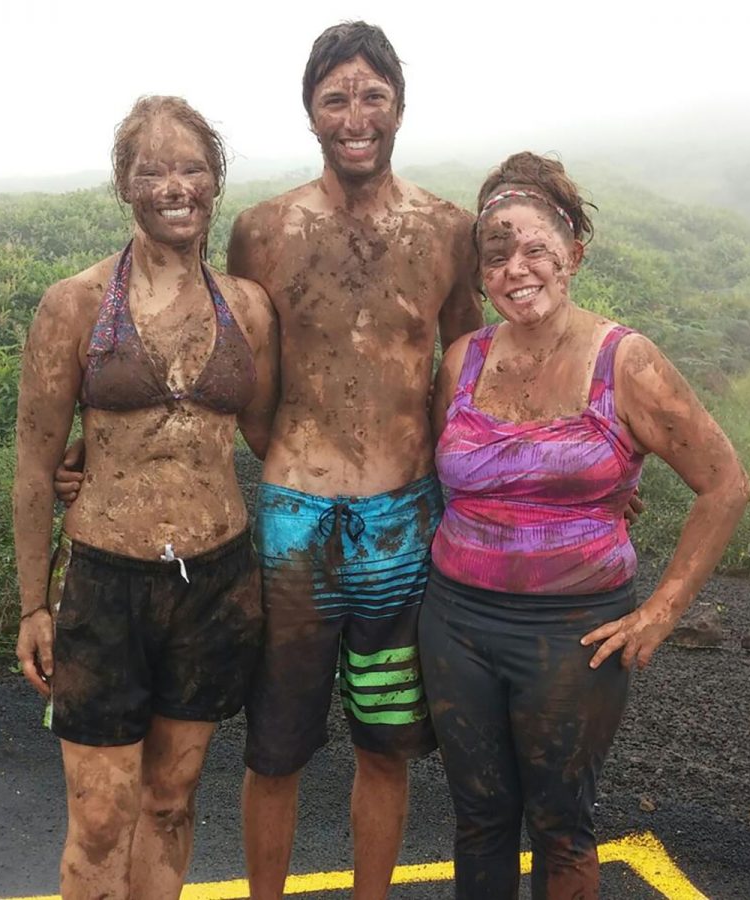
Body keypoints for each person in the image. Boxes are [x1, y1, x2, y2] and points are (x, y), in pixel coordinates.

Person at [418, 152, 750, 899]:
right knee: (479, 818)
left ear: (573, 253)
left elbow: (726, 485)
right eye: (496, 254)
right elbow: (445, 474)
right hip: (457, 621)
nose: (516, 268)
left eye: (535, 247)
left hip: (573, 631)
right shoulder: (462, 361)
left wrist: (660, 614)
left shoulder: (623, 360)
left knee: (562, 824)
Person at [225, 23, 487, 899]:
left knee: (387, 744)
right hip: (294, 525)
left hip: (402, 529)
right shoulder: (261, 232)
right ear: (310, 113)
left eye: (372, 95)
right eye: (336, 97)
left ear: (400, 107)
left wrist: (572, 473)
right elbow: (244, 378)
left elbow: (472, 373)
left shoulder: (450, 232)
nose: (355, 115)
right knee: (276, 747)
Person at [14, 96, 278, 900]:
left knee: (168, 805)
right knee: (100, 820)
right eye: (151, 168)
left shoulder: (250, 309)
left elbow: (275, 441)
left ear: (215, 181)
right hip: (105, 584)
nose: (174, 184)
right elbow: (32, 465)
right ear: (124, 185)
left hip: (216, 584)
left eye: (192, 167)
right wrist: (33, 605)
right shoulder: (77, 305)